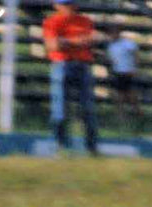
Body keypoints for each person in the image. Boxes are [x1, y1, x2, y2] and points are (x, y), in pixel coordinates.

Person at [43, 0, 99, 154]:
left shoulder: (85, 21)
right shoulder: (52, 21)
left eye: (71, 4)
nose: (69, 7)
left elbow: (90, 41)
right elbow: (53, 45)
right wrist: (77, 42)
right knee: (59, 109)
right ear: (57, 6)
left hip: (82, 65)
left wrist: (65, 41)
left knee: (88, 109)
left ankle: (91, 147)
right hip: (62, 65)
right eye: (65, 4)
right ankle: (60, 145)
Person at [107, 29, 141, 124]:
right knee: (119, 94)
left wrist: (135, 68)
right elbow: (111, 59)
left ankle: (136, 112)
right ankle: (122, 115)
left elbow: (136, 55)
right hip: (117, 72)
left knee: (130, 93)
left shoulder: (128, 43)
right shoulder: (111, 46)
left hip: (128, 71)